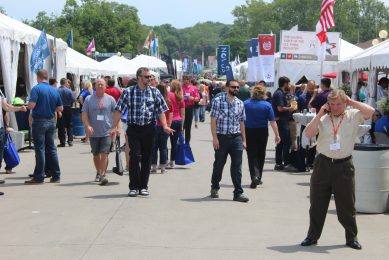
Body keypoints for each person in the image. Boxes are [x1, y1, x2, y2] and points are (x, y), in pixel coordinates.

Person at [301, 89, 374, 250]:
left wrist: (352, 102)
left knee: (347, 204)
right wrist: (320, 113)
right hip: (323, 164)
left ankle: (351, 237)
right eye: (331, 104)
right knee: (317, 203)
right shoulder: (323, 118)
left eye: (338, 104)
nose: (334, 108)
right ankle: (312, 236)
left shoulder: (352, 115)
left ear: (345, 103)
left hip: (344, 165)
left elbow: (371, 112)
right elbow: (308, 133)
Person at [111, 67, 173, 197]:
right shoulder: (128, 92)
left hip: (149, 128)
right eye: (146, 76)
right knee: (135, 156)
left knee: (146, 157)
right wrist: (113, 127)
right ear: (139, 77)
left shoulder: (155, 92)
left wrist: (165, 125)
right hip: (133, 128)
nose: (149, 79)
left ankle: (143, 186)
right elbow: (118, 110)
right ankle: (133, 186)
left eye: (150, 77)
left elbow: (161, 110)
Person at [210, 79, 249, 203]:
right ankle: (215, 186)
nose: (236, 89)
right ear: (227, 88)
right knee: (219, 164)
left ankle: (238, 192)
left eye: (237, 87)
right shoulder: (218, 101)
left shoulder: (240, 103)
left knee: (237, 166)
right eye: (233, 87)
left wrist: (244, 140)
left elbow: (242, 122)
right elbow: (213, 121)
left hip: (236, 137)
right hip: (222, 137)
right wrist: (215, 138)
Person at [25, 69, 63, 184]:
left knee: (40, 149)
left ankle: (39, 176)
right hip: (51, 120)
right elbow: (60, 108)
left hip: (39, 121)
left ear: (38, 77)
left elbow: (32, 105)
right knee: (51, 148)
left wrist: (25, 106)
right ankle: (56, 175)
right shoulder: (54, 90)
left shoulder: (36, 89)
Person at [244, 85, 280, 188]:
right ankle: (258, 177)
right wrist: (277, 135)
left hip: (248, 131)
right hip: (262, 131)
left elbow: (240, 120)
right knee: (261, 154)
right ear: (264, 93)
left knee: (251, 155)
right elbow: (273, 122)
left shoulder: (245, 103)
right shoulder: (267, 105)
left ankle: (254, 176)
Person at [82, 79, 116, 185]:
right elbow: (84, 114)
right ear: (95, 86)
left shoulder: (110, 99)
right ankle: (99, 171)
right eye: (98, 84)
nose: (100, 86)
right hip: (93, 132)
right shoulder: (88, 99)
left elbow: (116, 114)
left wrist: (116, 127)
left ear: (105, 86)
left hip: (107, 131)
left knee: (104, 154)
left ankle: (102, 175)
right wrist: (87, 126)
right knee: (96, 155)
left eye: (102, 84)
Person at [0, 93, 27, 191]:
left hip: (1, 129)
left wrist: (19, 108)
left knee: (0, 155)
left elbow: (6, 107)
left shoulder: (0, 93)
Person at [272, 76, 294, 170]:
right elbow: (280, 108)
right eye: (288, 84)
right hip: (281, 120)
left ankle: (278, 163)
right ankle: (286, 163)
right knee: (286, 142)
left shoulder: (279, 93)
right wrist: (290, 108)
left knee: (280, 142)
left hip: (281, 120)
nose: (289, 85)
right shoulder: (279, 94)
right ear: (285, 84)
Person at [151, 84, 173, 174]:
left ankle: (154, 166)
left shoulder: (154, 101)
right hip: (165, 126)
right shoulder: (168, 101)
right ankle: (163, 167)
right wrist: (168, 125)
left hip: (155, 125)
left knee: (154, 147)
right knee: (163, 147)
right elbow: (171, 116)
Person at [167, 80, 185, 169]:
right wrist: (182, 125)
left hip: (169, 121)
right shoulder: (180, 97)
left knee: (163, 143)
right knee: (173, 143)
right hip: (178, 121)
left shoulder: (168, 95)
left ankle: (164, 161)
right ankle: (172, 162)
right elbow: (183, 114)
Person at [57, 78, 76, 147]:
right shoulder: (69, 91)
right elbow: (73, 99)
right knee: (69, 125)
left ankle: (62, 142)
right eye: (67, 83)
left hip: (59, 108)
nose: (68, 84)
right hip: (68, 107)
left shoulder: (57, 90)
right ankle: (70, 141)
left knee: (61, 125)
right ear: (64, 83)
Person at [182, 75, 200, 144]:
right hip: (182, 108)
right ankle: (180, 141)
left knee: (188, 127)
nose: (185, 81)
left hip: (190, 108)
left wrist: (193, 98)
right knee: (181, 126)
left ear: (189, 80)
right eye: (184, 79)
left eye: (186, 79)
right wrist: (182, 97)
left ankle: (187, 142)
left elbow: (197, 98)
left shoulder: (193, 88)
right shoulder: (180, 87)